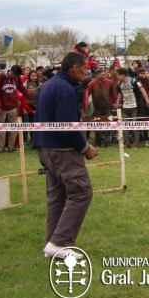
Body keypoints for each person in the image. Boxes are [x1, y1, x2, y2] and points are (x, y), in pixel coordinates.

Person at [33, 52, 98, 258]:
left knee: (57, 197)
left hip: (45, 148)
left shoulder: (49, 85)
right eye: (84, 68)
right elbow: (67, 126)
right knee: (81, 193)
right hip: (62, 151)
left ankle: (52, 244)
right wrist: (85, 147)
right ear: (74, 68)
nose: (86, 72)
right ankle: (60, 242)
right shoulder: (65, 89)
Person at [114, 68, 149, 149]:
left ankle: (136, 143)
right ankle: (127, 143)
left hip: (135, 106)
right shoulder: (120, 83)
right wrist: (117, 103)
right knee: (125, 125)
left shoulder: (134, 81)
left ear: (123, 75)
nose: (117, 77)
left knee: (134, 125)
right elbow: (120, 93)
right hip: (125, 107)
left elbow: (143, 91)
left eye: (118, 75)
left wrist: (147, 101)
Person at [0, 65, 32, 152]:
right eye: (16, 76)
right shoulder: (0, 77)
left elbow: (21, 87)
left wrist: (29, 97)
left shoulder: (17, 78)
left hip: (13, 106)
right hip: (2, 107)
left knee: (13, 128)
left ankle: (11, 147)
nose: (17, 78)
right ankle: (1, 148)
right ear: (11, 73)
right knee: (1, 128)